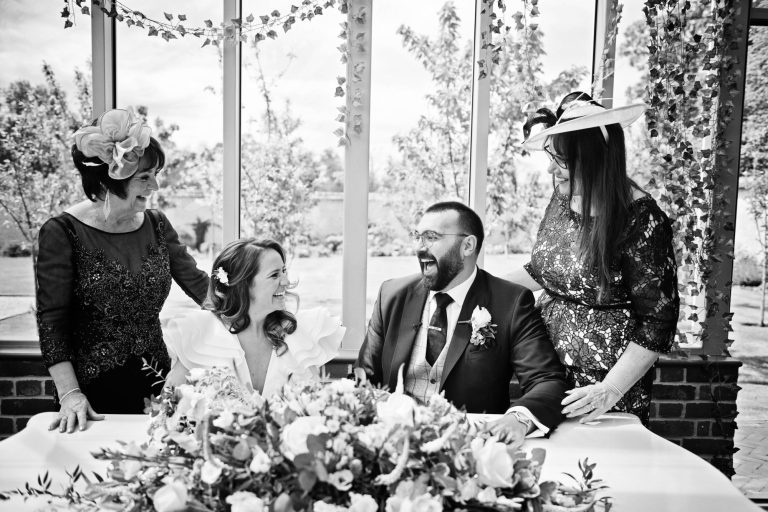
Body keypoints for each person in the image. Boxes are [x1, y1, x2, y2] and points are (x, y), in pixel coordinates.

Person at [510, 91, 680, 425]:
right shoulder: (564, 196)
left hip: (602, 390)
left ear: (594, 159)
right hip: (546, 374)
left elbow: (657, 321)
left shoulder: (641, 219)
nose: (551, 169)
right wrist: (477, 284)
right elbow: (545, 270)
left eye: (561, 160)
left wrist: (609, 390)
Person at [37, 108, 209, 433]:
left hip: (157, 386)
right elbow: (52, 322)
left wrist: (250, 312)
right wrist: (70, 394)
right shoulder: (62, 232)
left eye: (155, 174)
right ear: (109, 178)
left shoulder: (158, 225)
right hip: (89, 400)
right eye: (144, 177)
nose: (155, 185)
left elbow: (200, 285)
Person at [356, 201, 569, 442]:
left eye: (431, 237)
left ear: (467, 245)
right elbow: (365, 378)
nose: (420, 247)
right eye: (417, 237)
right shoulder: (391, 295)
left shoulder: (510, 302)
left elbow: (547, 381)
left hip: (471, 446)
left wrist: (517, 420)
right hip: (394, 442)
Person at [163, 238, 345, 397]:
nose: (286, 281)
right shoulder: (200, 335)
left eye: (284, 271)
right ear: (243, 284)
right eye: (274, 275)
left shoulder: (298, 335)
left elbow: (314, 406)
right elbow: (169, 409)